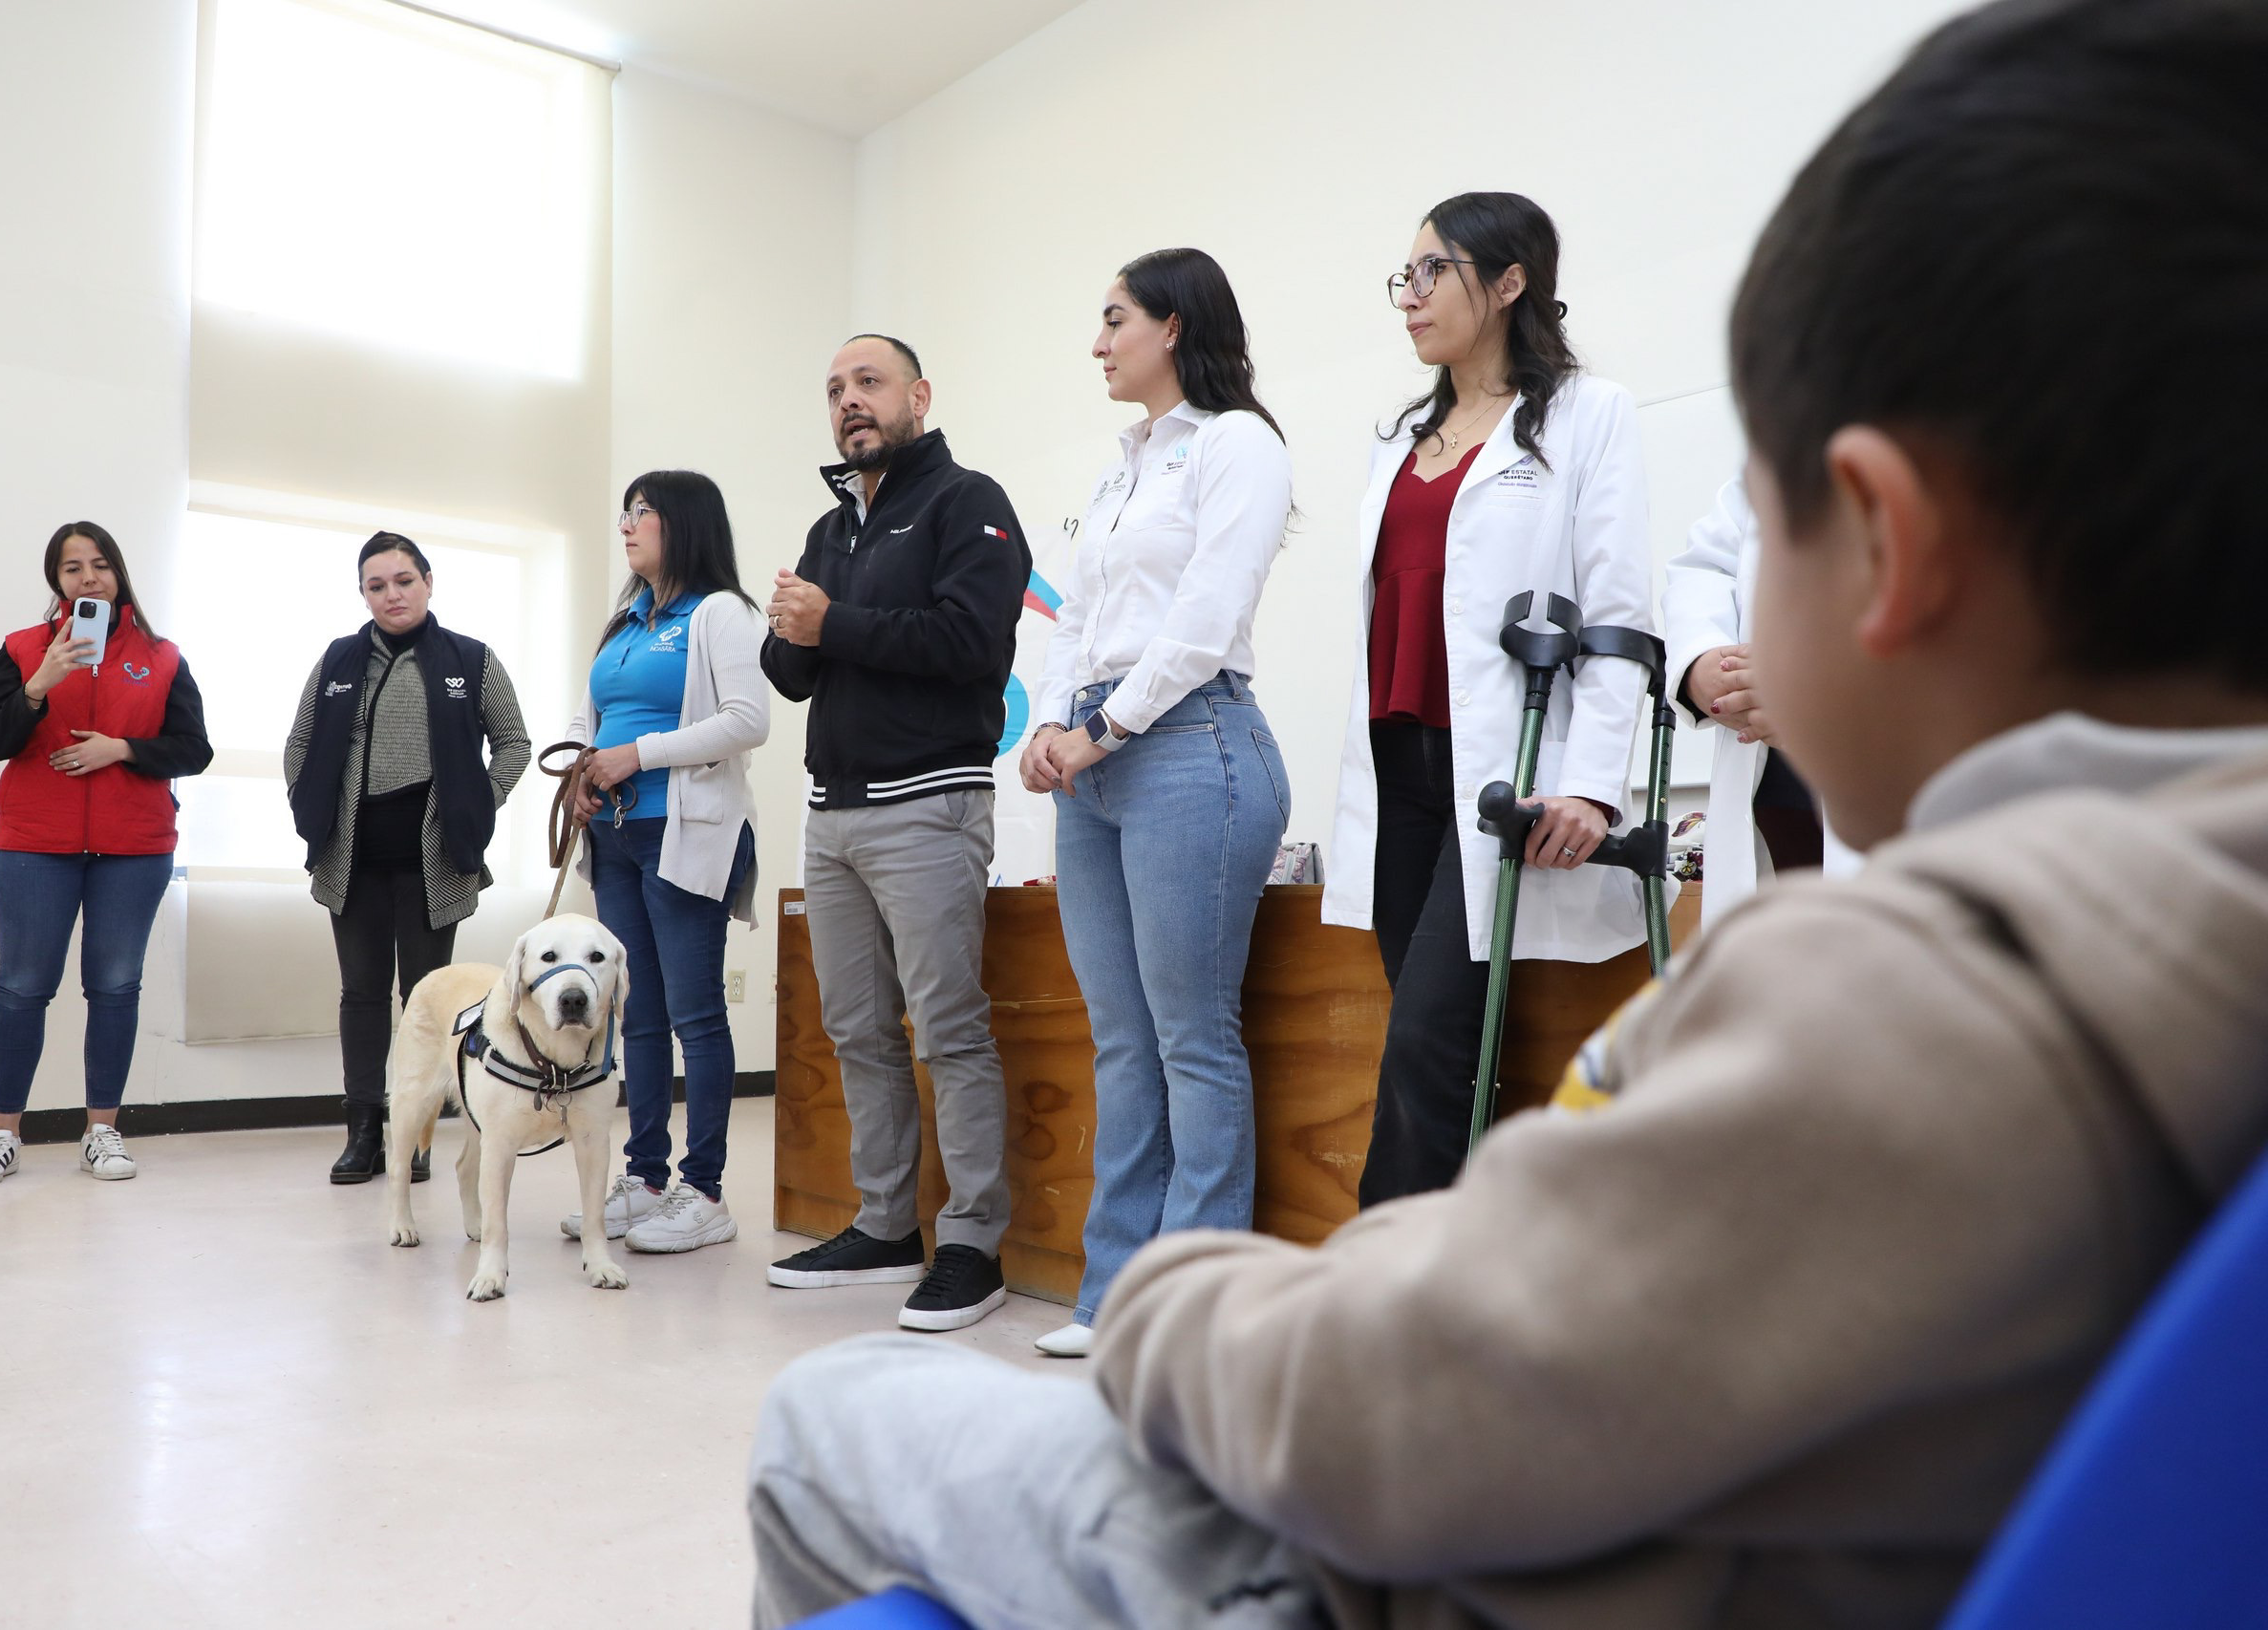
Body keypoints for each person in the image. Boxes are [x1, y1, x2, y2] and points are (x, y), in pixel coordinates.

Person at [743, 2, 2268, 1626]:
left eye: (1761, 517)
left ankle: (1157, 1267)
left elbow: (1389, 1421)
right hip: (1400, 780)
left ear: (1887, 540)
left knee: (828, 1414)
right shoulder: (2188, 928)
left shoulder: (1891, 991)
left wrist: (1186, 1298)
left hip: (1409, 1550)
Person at [1324, 190, 1657, 1203]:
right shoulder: (1398, 438)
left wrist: (1592, 786)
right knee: (1434, 1038)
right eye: (1406, 275)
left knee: (1429, 1041)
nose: (1410, 296)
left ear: (1509, 283)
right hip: (1398, 767)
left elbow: (1616, 611)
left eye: (1435, 271)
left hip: (1499, 776)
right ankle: (1459, 1271)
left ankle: (1380, 1292)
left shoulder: (1584, 416)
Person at [1016, 249, 1294, 1360]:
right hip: (1093, 753)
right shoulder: (1121, 466)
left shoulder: (1236, 445)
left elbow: (1206, 610)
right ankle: (1110, 1295)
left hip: (1192, 746)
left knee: (1191, 1037)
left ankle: (1187, 1309)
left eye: (1113, 318)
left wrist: (1104, 727)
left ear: (1172, 325)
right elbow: (1076, 616)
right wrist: (1049, 725)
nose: (1098, 341)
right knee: (1121, 1041)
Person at [759, 333, 1032, 1332]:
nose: (848, 402)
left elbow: (971, 644)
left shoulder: (968, 502)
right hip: (832, 812)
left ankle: (971, 1241)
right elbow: (789, 671)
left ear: (918, 394)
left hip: (930, 801)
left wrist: (831, 623)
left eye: (867, 383)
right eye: (833, 389)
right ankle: (885, 1222)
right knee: (856, 1030)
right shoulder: (835, 525)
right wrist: (795, 625)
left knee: (947, 1028)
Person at [555, 470, 769, 1254]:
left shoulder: (720, 614)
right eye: (625, 513)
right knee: (636, 1013)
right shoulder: (624, 623)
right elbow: (590, 716)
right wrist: (585, 769)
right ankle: (645, 1179)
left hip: (685, 832)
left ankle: (705, 1192)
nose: (627, 525)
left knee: (695, 1013)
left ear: (684, 524)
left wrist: (634, 756)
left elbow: (749, 721)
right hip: (613, 835)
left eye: (643, 513)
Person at [0, 522, 213, 1186]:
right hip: (33, 847)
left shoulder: (160, 656)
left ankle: (102, 1130)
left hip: (133, 848)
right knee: (20, 989)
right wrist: (40, 682)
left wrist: (123, 749)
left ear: (118, 572)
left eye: (100, 564)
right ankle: (1, 1135)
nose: (89, 577)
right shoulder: (21, 650)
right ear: (58, 582)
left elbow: (195, 749)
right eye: (73, 568)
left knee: (114, 988)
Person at [285, 531, 530, 1185]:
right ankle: (363, 1131)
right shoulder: (339, 660)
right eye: (376, 585)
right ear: (363, 593)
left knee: (425, 1002)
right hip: (353, 862)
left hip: (434, 862)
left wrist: (480, 802)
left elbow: (514, 743)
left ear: (428, 582)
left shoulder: (470, 660)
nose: (391, 594)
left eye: (403, 580)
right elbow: (301, 743)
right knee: (361, 995)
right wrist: (309, 806)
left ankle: (415, 1135)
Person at [1664, 474, 1859, 922]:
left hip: (1889, 771)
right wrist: (1704, 664)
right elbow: (1706, 568)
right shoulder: (1770, 465)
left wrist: (1819, 690)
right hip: (1772, 776)